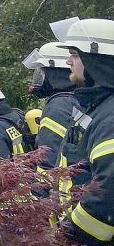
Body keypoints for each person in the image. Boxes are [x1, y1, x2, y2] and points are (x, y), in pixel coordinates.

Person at [53, 18, 114, 245]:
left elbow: (108, 192)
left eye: (75, 55)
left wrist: (70, 234)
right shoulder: (98, 106)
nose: (68, 61)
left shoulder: (110, 115)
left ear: (98, 60)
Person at [22, 42, 82, 180]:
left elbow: (48, 159)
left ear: (56, 73)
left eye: (43, 72)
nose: (39, 78)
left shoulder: (57, 106)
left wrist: (39, 195)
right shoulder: (80, 99)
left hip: (64, 193)